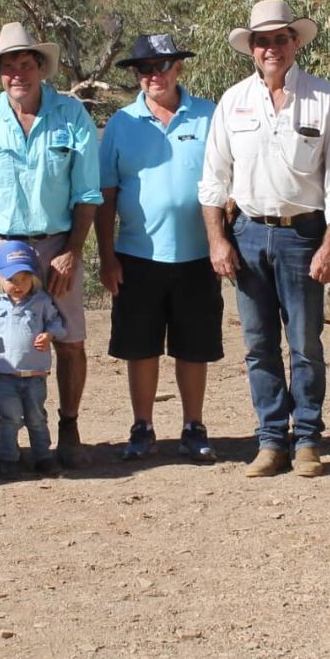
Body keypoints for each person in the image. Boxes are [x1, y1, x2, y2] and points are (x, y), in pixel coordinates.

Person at [199, 0, 330, 479]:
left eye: (280, 39)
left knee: (306, 342)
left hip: (304, 235)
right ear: (251, 48)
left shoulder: (324, 98)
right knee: (258, 344)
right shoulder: (233, 101)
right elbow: (213, 179)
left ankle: (307, 438)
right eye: (263, 41)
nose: (272, 48)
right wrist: (217, 241)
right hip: (247, 234)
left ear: (294, 43)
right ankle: (271, 440)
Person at [0, 22, 103, 468]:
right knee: (4, 343)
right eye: (9, 66)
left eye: (25, 63)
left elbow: (88, 193)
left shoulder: (71, 114)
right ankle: (8, 433)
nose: (18, 73)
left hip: (58, 241)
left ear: (39, 67)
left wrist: (73, 250)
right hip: (4, 249)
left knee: (70, 339)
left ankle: (69, 426)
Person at [96, 33, 222, 463]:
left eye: (162, 66)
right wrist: (107, 256)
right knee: (141, 346)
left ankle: (193, 425)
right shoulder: (121, 123)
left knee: (193, 346)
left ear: (178, 68)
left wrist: (224, 239)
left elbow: (229, 180)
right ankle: (143, 426)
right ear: (136, 74)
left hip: (198, 255)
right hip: (137, 255)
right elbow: (107, 193)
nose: (154, 75)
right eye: (145, 68)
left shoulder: (208, 115)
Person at [0, 241, 69, 478]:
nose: (18, 284)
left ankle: (43, 457)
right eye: (12, 279)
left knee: (37, 417)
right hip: (5, 375)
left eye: (25, 278)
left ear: (34, 278)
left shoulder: (42, 301)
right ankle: (9, 459)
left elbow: (57, 324)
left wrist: (50, 335)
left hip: (35, 375)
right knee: (10, 419)